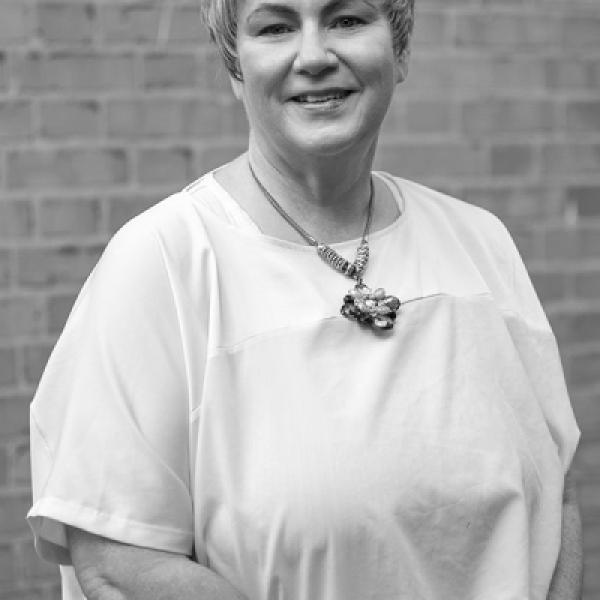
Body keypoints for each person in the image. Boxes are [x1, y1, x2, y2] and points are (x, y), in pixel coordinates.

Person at [27, 0, 583, 598]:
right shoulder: (164, 262)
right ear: (235, 66)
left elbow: (557, 500)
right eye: (276, 27)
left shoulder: (480, 242)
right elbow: (120, 562)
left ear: (399, 50)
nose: (315, 56)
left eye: (348, 19)